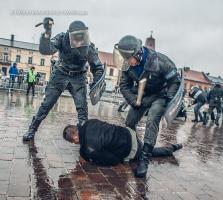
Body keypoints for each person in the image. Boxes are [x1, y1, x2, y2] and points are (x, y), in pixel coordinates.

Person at [23, 17, 104, 141]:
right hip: (60, 74)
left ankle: (84, 137)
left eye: (80, 39)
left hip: (78, 77)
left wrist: (96, 83)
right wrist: (47, 33)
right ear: (70, 35)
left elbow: (97, 67)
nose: (78, 43)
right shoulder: (62, 38)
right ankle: (32, 129)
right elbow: (46, 50)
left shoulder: (88, 47)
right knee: (46, 104)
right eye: (76, 40)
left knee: (82, 109)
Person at [115, 35, 181, 177]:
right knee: (129, 123)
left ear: (138, 54)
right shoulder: (127, 63)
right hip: (141, 95)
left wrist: (169, 98)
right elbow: (124, 85)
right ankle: (133, 148)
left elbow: (175, 80)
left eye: (129, 58)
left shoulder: (160, 61)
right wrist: (133, 101)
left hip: (160, 95)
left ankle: (144, 159)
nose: (126, 61)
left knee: (152, 119)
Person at [63, 119, 183, 167]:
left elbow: (114, 161)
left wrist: (93, 161)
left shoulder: (89, 149)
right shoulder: (89, 122)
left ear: (74, 140)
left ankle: (171, 149)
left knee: (148, 153)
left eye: (73, 143)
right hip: (128, 132)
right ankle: (172, 147)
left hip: (131, 148)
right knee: (146, 150)